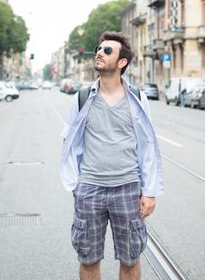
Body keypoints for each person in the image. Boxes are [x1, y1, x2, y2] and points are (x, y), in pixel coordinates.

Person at [60, 31, 164, 280]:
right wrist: (76, 185)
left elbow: (147, 145)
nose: (99, 52)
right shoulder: (82, 98)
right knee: (88, 259)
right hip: (90, 189)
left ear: (121, 62)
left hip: (127, 189)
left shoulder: (138, 99)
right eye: (99, 48)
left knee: (130, 260)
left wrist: (149, 192)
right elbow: (68, 142)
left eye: (107, 50)